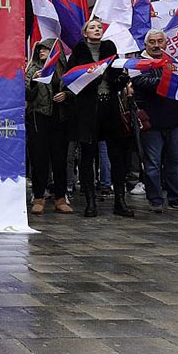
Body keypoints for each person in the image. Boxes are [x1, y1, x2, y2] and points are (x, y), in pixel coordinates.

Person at [65, 18, 134, 218]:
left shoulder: (109, 47)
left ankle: (120, 201)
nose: (97, 29)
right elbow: (71, 79)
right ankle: (90, 202)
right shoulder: (78, 50)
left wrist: (122, 79)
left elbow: (117, 73)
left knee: (116, 155)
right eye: (92, 27)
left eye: (99, 27)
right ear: (85, 33)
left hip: (109, 106)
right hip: (88, 109)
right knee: (88, 155)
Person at [131, 29, 178, 212]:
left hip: (173, 120)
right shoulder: (139, 64)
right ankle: (156, 200)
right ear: (146, 45)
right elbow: (143, 84)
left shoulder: (173, 62)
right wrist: (171, 76)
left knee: (175, 163)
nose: (157, 45)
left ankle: (177, 199)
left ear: (166, 43)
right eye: (152, 42)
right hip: (151, 122)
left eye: (160, 41)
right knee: (152, 164)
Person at [26, 38, 73, 214]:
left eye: (45, 49)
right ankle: (38, 197)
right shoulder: (34, 69)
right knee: (39, 160)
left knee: (60, 160)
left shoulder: (64, 71)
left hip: (59, 119)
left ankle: (60, 198)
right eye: (40, 50)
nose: (41, 52)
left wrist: (66, 95)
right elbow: (27, 95)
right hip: (39, 118)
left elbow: (75, 89)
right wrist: (33, 82)